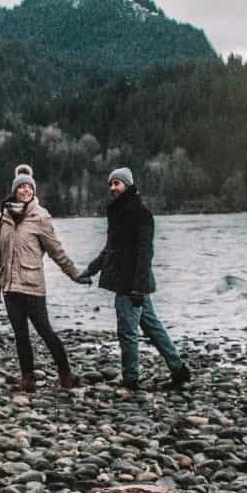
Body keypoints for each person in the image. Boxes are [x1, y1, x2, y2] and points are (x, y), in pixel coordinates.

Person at [82, 166, 191, 391]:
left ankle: (131, 381)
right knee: (153, 328)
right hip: (130, 283)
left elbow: (145, 253)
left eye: (117, 183)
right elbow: (110, 249)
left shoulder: (140, 214)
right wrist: (90, 270)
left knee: (127, 333)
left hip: (131, 285)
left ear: (128, 185)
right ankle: (179, 369)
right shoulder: (118, 213)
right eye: (111, 184)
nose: (113, 188)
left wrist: (138, 288)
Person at [0, 164, 90, 391]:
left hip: (33, 285)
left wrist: (75, 274)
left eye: (29, 187)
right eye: (21, 187)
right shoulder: (3, 218)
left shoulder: (40, 217)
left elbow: (56, 251)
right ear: (14, 190)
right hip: (10, 287)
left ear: (33, 191)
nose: (26, 190)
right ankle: (27, 377)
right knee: (20, 334)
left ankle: (65, 374)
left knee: (45, 330)